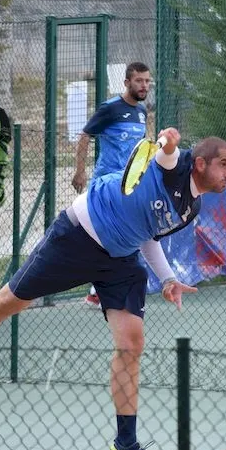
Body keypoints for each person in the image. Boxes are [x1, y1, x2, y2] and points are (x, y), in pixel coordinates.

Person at [0, 129, 226, 450]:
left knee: (131, 344)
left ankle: (125, 447)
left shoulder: (191, 207)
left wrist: (168, 279)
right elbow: (165, 155)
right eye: (223, 164)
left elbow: (148, 237)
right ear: (200, 163)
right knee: (10, 301)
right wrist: (168, 141)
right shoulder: (174, 166)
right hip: (78, 237)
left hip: (120, 259)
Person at [71, 62, 152, 308]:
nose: (144, 85)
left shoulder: (141, 112)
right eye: (139, 81)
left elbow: (142, 146)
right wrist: (80, 171)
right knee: (104, 237)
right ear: (126, 83)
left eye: (148, 81)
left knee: (128, 235)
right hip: (106, 187)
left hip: (130, 185)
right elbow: (85, 136)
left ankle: (103, 290)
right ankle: (98, 289)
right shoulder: (110, 109)